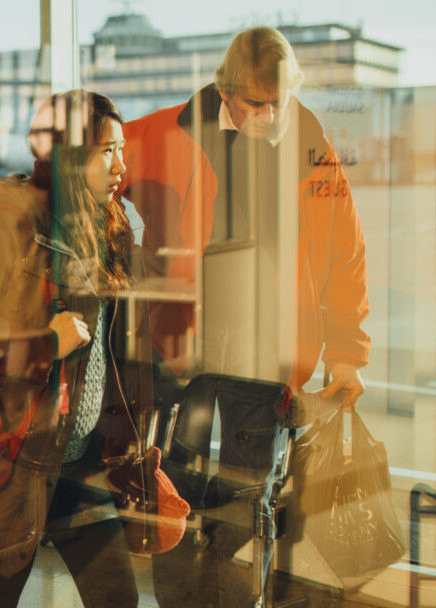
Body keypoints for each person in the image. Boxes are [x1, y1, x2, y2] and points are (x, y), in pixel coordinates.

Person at [119, 27, 370, 606]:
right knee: (173, 489)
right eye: (254, 103)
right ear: (225, 91)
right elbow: (86, 163)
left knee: (246, 497)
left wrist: (349, 357)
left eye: (277, 101)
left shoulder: (312, 148)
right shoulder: (166, 132)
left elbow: (345, 259)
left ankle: (226, 598)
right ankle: (180, 598)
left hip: (267, 355)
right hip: (186, 350)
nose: (267, 114)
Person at [0, 90, 142, 608]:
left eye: (121, 149)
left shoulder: (109, 223)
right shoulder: (11, 222)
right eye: (108, 150)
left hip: (81, 459)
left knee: (117, 599)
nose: (121, 165)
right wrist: (43, 343)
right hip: (15, 464)